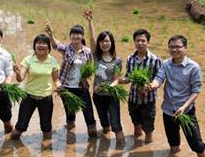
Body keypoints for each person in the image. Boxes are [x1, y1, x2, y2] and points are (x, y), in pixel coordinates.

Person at [148, 35, 205, 157]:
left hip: (186, 111)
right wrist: (151, 86)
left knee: (197, 146)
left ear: (185, 47)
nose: (174, 50)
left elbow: (196, 91)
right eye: (171, 47)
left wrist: (184, 107)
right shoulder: (166, 64)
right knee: (173, 144)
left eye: (177, 47)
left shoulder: (194, 67)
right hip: (168, 110)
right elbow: (158, 79)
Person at [45, 23, 97, 137]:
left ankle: (92, 135)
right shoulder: (67, 49)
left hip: (82, 88)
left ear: (82, 36)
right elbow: (56, 46)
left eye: (78, 34)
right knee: (70, 114)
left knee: (89, 114)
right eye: (73, 34)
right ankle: (70, 138)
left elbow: (90, 68)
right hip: (67, 88)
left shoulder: (87, 52)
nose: (76, 36)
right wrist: (51, 34)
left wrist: (85, 77)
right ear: (70, 36)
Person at [84, 10, 125, 144]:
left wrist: (107, 87)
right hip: (97, 95)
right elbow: (91, 39)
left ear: (111, 43)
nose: (104, 43)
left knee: (116, 125)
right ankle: (104, 145)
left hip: (111, 96)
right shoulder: (96, 57)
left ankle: (120, 147)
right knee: (104, 123)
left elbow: (117, 79)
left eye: (107, 41)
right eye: (102, 41)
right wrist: (90, 21)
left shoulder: (117, 60)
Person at [10, 34, 62, 139]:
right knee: (20, 127)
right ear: (34, 46)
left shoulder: (52, 61)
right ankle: (10, 144)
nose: (41, 45)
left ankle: (47, 151)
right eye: (38, 43)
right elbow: (21, 78)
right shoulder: (28, 60)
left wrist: (60, 87)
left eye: (44, 43)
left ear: (48, 47)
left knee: (46, 128)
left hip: (46, 99)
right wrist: (18, 72)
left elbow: (55, 79)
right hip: (28, 98)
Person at [117, 29, 162, 143]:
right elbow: (129, 76)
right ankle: (135, 146)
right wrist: (123, 80)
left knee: (148, 129)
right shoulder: (130, 58)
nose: (140, 43)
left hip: (148, 101)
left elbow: (159, 79)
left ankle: (147, 148)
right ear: (134, 42)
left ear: (148, 42)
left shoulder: (155, 60)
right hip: (133, 99)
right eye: (138, 41)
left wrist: (149, 86)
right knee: (136, 126)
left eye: (143, 41)